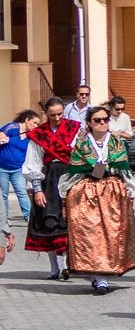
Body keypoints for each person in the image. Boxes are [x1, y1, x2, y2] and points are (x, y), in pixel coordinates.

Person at [60, 105, 135, 294]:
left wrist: (130, 190)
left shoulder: (116, 142)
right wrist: (65, 193)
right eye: (97, 120)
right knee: (91, 234)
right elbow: (73, 171)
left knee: (112, 233)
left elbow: (124, 169)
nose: (102, 123)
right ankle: (98, 275)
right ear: (89, 123)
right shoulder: (81, 145)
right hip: (86, 192)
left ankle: (106, 272)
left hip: (111, 192)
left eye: (105, 119)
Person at [22, 98, 80, 279]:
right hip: (48, 180)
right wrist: (37, 188)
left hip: (71, 177)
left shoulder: (74, 129)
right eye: (53, 115)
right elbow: (33, 163)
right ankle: (55, 266)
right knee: (50, 221)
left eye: (60, 114)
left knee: (72, 222)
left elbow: (81, 153)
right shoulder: (39, 134)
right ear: (46, 114)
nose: (57, 118)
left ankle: (70, 264)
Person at [1, 109, 40, 227]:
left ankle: (29, 217)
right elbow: (1, 133)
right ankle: (4, 219)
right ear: (27, 120)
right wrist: (2, 138)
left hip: (18, 169)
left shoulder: (31, 135)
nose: (36, 126)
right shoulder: (12, 128)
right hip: (2, 167)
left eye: (38, 124)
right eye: (34, 123)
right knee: (3, 194)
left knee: (22, 192)